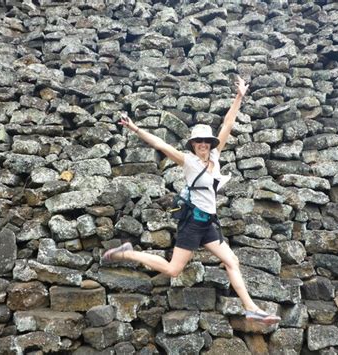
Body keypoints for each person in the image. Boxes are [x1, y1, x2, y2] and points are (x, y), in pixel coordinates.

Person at [103, 76, 281, 324]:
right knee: (173, 269)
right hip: (193, 223)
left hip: (208, 223)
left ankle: (250, 308)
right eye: (198, 142)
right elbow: (161, 144)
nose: (203, 146)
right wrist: (135, 129)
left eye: (206, 142)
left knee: (232, 260)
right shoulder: (188, 161)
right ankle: (127, 254)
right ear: (193, 144)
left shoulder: (216, 157)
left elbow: (228, 123)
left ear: (210, 144)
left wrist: (239, 96)